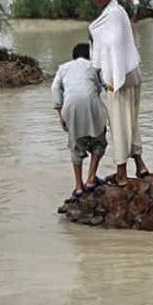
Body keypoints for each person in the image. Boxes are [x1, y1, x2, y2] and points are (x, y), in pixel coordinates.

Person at [88, 0, 149, 187]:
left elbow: (113, 45)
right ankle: (140, 165)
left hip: (120, 77)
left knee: (119, 124)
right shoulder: (117, 12)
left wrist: (111, 78)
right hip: (131, 72)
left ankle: (121, 173)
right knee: (130, 121)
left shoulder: (113, 14)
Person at [51, 42, 109, 196]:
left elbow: (55, 88)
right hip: (92, 104)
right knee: (99, 140)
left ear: (74, 56)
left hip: (70, 106)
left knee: (76, 145)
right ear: (90, 55)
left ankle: (78, 186)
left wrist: (60, 113)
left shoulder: (63, 68)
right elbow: (105, 84)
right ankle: (90, 179)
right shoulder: (94, 66)